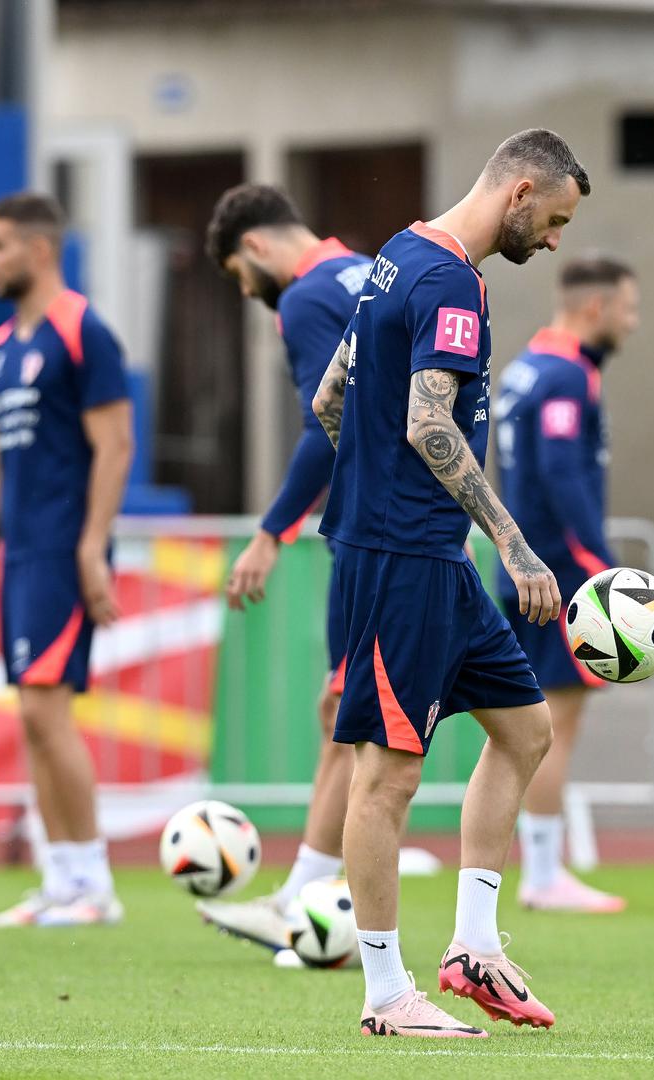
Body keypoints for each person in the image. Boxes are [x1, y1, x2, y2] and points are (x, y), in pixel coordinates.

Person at [311, 128, 588, 1037]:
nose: (554, 241)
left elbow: (330, 396)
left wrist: (374, 488)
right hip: (405, 558)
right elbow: (431, 424)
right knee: (387, 775)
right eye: (553, 221)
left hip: (423, 551)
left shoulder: (399, 253)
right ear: (518, 193)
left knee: (526, 731)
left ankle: (472, 947)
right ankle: (385, 994)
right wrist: (513, 543)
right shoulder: (449, 281)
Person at [197, 184, 371, 953]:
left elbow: (325, 427)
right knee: (348, 714)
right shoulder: (368, 272)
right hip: (408, 524)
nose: (247, 292)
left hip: (372, 532)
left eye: (240, 275)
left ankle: (322, 901)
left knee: (355, 719)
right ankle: (317, 894)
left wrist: (270, 532)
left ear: (256, 246)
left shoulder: (303, 299)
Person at [0, 192, 135, 929]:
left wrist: (91, 545)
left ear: (38, 249)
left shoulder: (82, 331)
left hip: (63, 547)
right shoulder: (0, 348)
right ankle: (60, 879)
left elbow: (115, 445)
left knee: (43, 707)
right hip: (23, 552)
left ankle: (93, 883)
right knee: (33, 717)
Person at [494, 255, 640, 913]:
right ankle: (544, 874)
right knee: (551, 725)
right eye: (628, 309)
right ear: (595, 307)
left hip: (526, 569)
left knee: (530, 724)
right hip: (557, 579)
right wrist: (602, 566)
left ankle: (538, 869)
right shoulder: (563, 375)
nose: (632, 322)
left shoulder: (527, 365)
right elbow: (559, 473)